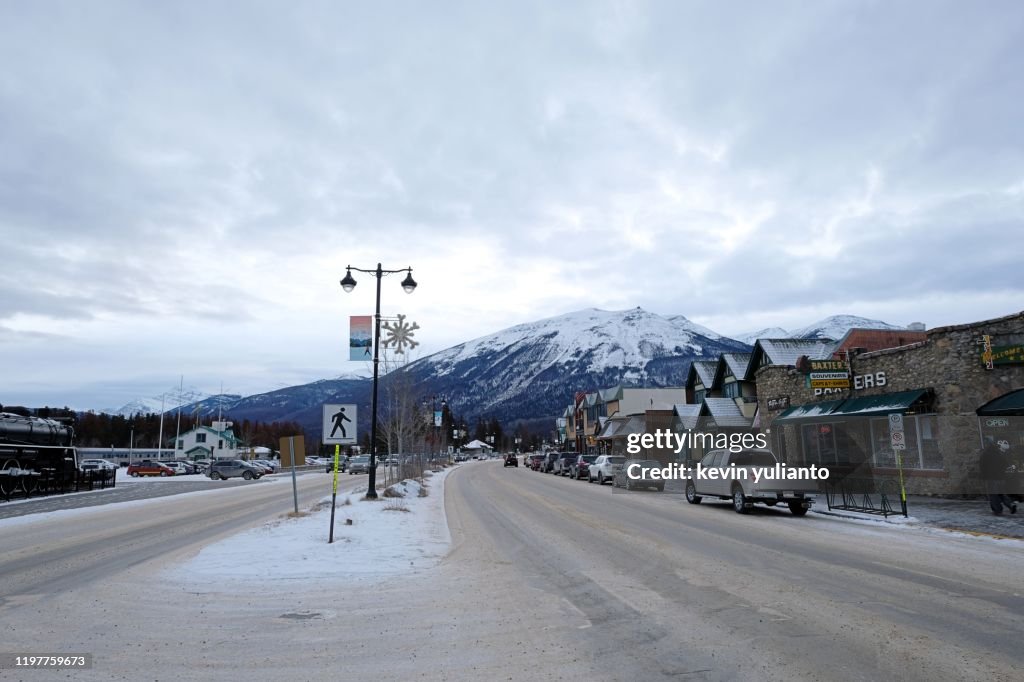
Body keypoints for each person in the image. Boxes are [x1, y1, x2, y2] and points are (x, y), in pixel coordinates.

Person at [980, 440, 1017, 515]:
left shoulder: (985, 455)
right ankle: (1010, 504)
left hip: (991, 478)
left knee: (993, 495)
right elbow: (1006, 465)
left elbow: (982, 467)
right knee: (1002, 494)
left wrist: (983, 477)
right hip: (1001, 478)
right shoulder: (999, 454)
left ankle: (998, 510)